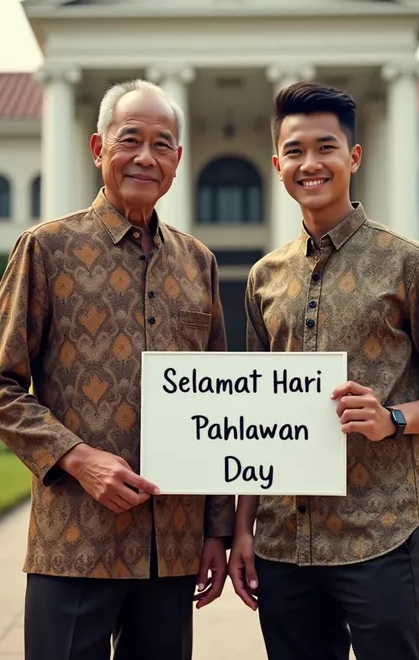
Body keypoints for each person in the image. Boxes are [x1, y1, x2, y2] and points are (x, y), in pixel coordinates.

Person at [229, 81, 419, 660]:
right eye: (295, 151)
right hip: (283, 543)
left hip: (379, 536)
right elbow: (248, 417)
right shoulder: (264, 277)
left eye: (325, 147)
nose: (309, 163)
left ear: (353, 157)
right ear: (277, 163)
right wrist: (243, 529)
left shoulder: (409, 263)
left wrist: (393, 417)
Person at [0, 79, 234, 660]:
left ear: (178, 161)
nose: (146, 157)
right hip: (74, 544)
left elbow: (220, 405)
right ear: (98, 148)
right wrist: (77, 459)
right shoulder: (46, 248)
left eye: (163, 144)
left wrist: (216, 530)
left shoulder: (198, 262)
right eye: (131, 140)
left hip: (173, 549)